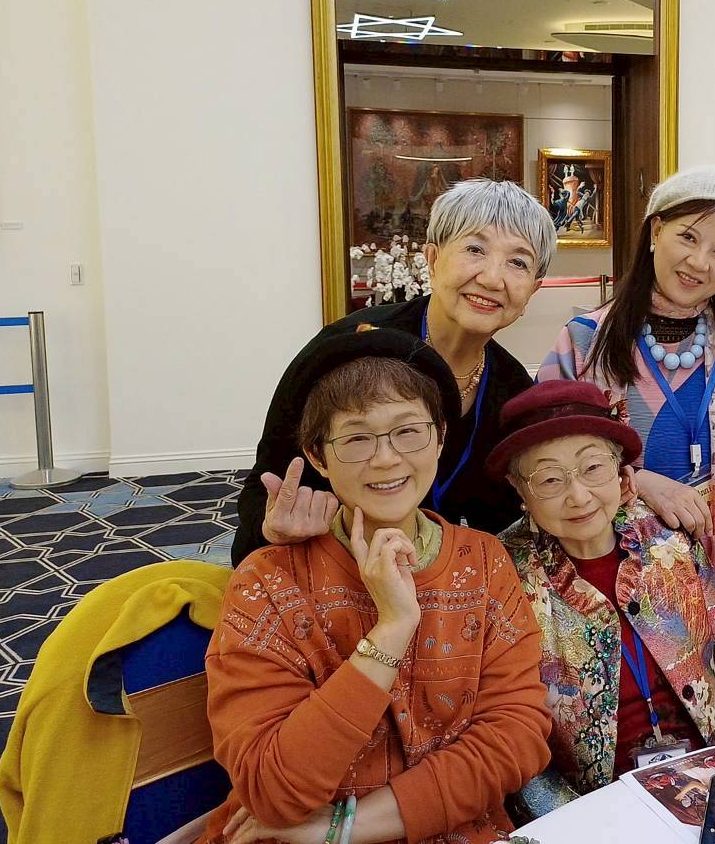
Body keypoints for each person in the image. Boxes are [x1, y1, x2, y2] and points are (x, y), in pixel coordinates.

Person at [199, 326, 551, 844]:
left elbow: (516, 737)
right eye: (357, 438)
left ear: (440, 438)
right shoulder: (268, 582)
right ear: (318, 456)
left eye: (408, 431)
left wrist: (343, 827)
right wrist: (392, 629)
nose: (386, 459)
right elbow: (272, 790)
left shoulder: (483, 561)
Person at [538, 164, 715, 728]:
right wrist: (640, 479)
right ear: (655, 232)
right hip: (631, 570)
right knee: (662, 728)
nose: (700, 262)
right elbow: (547, 456)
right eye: (688, 237)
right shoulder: (585, 340)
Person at [233, 178, 558, 566]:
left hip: (433, 572)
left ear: (533, 290)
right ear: (433, 260)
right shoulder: (345, 349)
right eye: (475, 249)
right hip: (327, 562)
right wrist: (273, 529)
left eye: (518, 262)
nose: (492, 278)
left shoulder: (512, 389)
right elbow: (265, 486)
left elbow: (502, 524)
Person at [490, 381, 715, 816]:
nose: (578, 496)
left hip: (708, 778)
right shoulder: (502, 574)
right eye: (549, 479)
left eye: (593, 467)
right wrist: (581, 824)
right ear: (519, 489)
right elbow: (503, 731)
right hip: (591, 805)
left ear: (621, 469)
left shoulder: (667, 540)